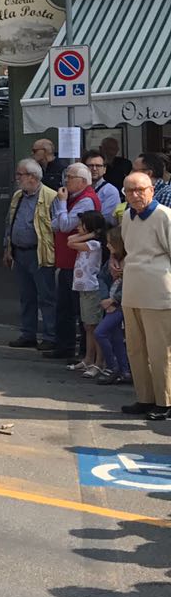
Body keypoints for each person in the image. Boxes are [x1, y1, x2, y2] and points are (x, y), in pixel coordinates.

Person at [118, 170, 171, 422]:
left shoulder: (164, 215)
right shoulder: (127, 217)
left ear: (152, 189)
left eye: (141, 189)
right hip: (132, 289)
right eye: (130, 191)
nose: (136, 195)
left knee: (161, 350)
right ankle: (145, 397)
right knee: (136, 348)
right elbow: (129, 249)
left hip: (159, 292)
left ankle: (165, 401)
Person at [3, 159, 58, 351]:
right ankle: (28, 334)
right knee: (26, 296)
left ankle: (50, 336)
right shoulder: (18, 196)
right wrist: (7, 248)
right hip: (20, 252)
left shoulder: (51, 196)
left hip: (39, 253)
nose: (17, 178)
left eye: (20, 175)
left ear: (33, 177)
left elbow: (57, 227)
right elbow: (10, 222)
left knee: (46, 296)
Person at [49, 161, 100, 361]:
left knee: (77, 310)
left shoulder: (86, 199)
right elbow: (54, 223)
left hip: (77, 262)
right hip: (67, 260)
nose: (66, 181)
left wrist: (62, 203)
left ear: (81, 181)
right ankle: (64, 347)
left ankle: (80, 352)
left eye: (70, 178)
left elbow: (64, 224)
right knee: (64, 306)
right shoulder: (74, 198)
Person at [67, 210, 109, 378]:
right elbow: (71, 240)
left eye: (81, 224)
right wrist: (90, 233)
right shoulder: (91, 241)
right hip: (84, 288)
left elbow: (70, 242)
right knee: (87, 326)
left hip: (92, 288)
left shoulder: (95, 244)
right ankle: (88, 359)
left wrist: (92, 235)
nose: (78, 227)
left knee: (94, 326)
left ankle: (98, 362)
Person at [95, 228, 131, 388]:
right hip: (110, 303)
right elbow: (101, 277)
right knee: (115, 338)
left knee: (100, 332)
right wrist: (104, 298)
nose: (107, 246)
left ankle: (112, 367)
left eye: (110, 243)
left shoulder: (129, 262)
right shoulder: (112, 261)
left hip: (121, 305)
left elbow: (132, 285)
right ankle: (124, 371)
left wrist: (113, 301)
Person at [84, 151, 122, 219]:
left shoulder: (110, 191)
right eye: (90, 165)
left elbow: (105, 219)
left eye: (98, 166)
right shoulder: (77, 188)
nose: (94, 169)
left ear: (104, 169)